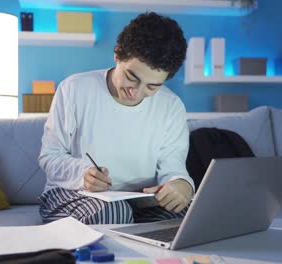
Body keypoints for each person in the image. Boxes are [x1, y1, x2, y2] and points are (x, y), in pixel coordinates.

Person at [38, 12, 194, 224]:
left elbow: (173, 168)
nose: (136, 92)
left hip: (139, 200)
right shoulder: (74, 89)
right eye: (131, 77)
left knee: (186, 215)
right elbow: (50, 156)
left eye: (152, 86)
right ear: (117, 53)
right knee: (114, 213)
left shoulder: (172, 106)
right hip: (73, 192)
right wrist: (83, 174)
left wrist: (181, 184)